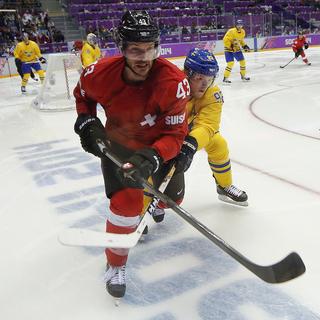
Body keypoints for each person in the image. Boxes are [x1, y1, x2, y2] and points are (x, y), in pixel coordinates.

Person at [73, 10, 189, 300]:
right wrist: (87, 121)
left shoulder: (173, 82)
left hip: (158, 147)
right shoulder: (98, 74)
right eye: (136, 50)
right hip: (119, 145)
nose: (144, 57)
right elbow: (82, 95)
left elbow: (176, 135)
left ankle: (157, 205)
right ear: (122, 48)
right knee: (126, 204)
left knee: (173, 198)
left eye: (150, 48)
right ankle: (115, 264)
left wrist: (153, 155)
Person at [177, 48, 248, 205]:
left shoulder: (212, 93)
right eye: (200, 78)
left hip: (190, 129)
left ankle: (224, 186)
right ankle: (147, 201)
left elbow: (208, 126)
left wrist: (189, 146)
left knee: (218, 144)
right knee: (166, 160)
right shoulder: (171, 83)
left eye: (209, 79)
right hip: (166, 130)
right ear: (187, 74)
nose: (204, 85)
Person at [222, 19, 251, 84]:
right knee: (230, 63)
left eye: (241, 25)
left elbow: (241, 40)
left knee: (242, 62)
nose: (239, 26)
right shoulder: (231, 31)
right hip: (229, 50)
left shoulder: (243, 32)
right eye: (238, 25)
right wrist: (230, 46)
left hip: (237, 49)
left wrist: (245, 46)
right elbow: (225, 39)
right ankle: (225, 78)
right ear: (236, 25)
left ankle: (243, 76)